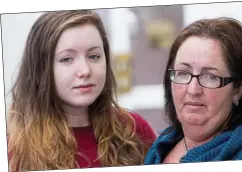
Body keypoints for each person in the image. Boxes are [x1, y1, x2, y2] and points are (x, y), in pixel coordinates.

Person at [7, 10, 156, 171]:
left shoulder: (132, 129)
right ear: (41, 69)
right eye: (67, 59)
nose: (85, 70)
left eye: (93, 56)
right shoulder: (15, 149)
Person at [144, 17, 242, 164]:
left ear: (238, 88)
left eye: (210, 77)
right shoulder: (159, 147)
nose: (193, 90)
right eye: (183, 73)